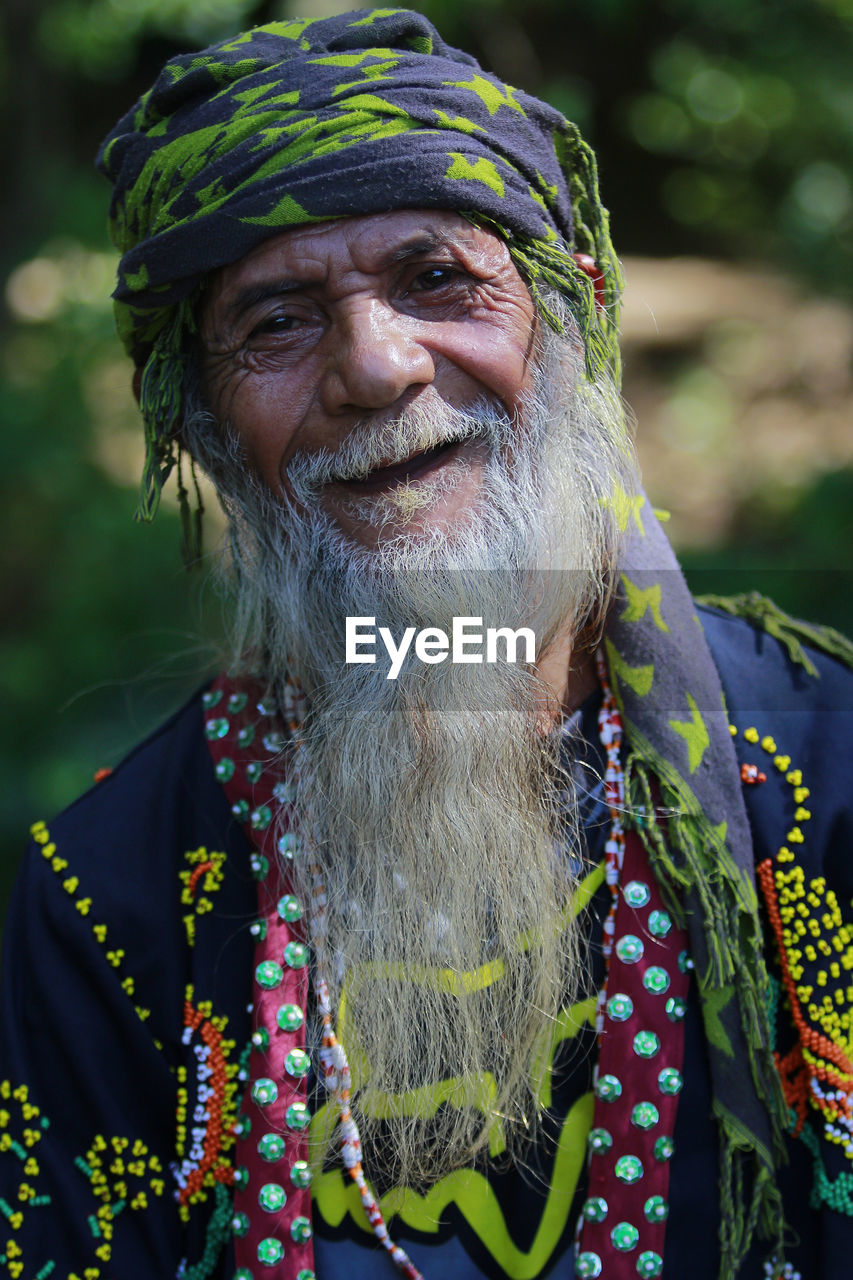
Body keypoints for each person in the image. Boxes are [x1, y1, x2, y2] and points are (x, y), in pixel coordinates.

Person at [1, 9, 852, 1280]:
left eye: (437, 279)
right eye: (277, 322)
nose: (376, 365)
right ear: (207, 429)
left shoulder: (821, 776)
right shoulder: (107, 900)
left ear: (574, 315)